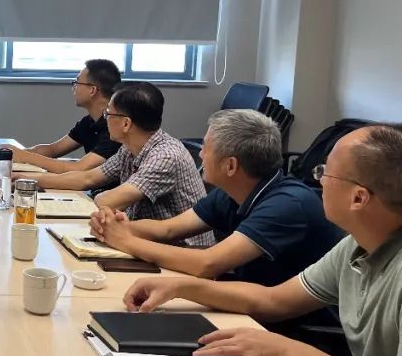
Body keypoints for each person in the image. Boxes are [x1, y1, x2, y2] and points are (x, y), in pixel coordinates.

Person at [122, 124, 402, 356]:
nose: (318, 181)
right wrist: (182, 287)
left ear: (358, 198)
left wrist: (287, 353)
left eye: (325, 173)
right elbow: (273, 300)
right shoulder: (355, 246)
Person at [91, 109, 343, 284]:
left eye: (207, 148)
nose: (200, 155)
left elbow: (207, 263)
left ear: (230, 166)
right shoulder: (233, 191)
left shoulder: (287, 205)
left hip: (291, 325)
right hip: (251, 303)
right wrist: (116, 227)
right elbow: (167, 229)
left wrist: (126, 241)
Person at [16, 82, 211, 246]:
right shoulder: (129, 148)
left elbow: (108, 200)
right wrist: (26, 179)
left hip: (184, 250)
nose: (105, 119)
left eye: (108, 113)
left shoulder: (165, 157)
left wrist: (100, 198)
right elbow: (87, 178)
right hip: (148, 240)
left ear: (126, 124)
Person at [0, 59, 122, 172]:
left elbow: (79, 168)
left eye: (77, 82)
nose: (73, 88)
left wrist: (25, 157)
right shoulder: (89, 122)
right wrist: (18, 153)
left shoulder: (115, 127)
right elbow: (53, 149)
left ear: (92, 90)